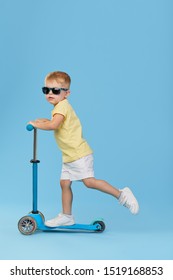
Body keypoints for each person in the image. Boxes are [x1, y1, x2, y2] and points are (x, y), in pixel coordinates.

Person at [29, 71, 139, 227]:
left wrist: (36, 124)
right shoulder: (59, 108)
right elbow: (57, 123)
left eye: (55, 90)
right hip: (69, 155)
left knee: (89, 182)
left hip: (78, 154)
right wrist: (44, 120)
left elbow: (54, 125)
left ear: (66, 93)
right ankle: (67, 216)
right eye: (46, 90)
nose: (50, 93)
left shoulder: (62, 106)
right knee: (65, 183)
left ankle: (121, 194)